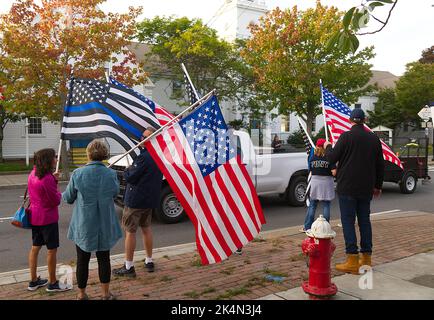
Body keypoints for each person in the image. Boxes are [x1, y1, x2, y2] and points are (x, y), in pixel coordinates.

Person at [324, 108, 384, 274]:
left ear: (350, 121)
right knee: (365, 221)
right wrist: (378, 186)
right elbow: (380, 165)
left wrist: (329, 147)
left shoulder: (346, 137)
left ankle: (352, 259)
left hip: (347, 186)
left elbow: (331, 158)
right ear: (364, 120)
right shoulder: (374, 139)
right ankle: (366, 258)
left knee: (348, 222)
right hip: (366, 187)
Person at [63, 139, 122, 300]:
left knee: (82, 260)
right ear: (104, 154)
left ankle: (81, 294)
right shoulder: (111, 174)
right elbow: (115, 193)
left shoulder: (78, 174)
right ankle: (105, 293)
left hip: (84, 224)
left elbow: (68, 198)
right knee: (104, 258)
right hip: (104, 222)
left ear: (88, 154)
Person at [113, 127, 163, 278]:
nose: (141, 139)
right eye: (142, 136)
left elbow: (130, 177)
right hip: (149, 199)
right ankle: (149, 261)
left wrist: (128, 170)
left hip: (136, 201)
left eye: (145, 137)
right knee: (146, 228)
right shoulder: (158, 155)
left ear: (151, 139)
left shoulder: (143, 158)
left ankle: (129, 266)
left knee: (130, 231)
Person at [27, 148, 71, 292]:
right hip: (48, 218)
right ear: (48, 160)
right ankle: (52, 283)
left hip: (35, 217)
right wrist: (55, 182)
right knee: (52, 250)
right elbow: (55, 200)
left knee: (35, 248)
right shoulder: (47, 178)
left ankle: (33, 281)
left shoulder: (33, 174)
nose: (56, 160)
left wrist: (53, 179)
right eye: (54, 157)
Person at [300, 138, 336, 233]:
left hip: (315, 182)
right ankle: (326, 227)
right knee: (326, 205)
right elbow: (334, 172)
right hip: (326, 182)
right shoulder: (329, 157)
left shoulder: (313, 157)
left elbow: (311, 170)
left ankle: (307, 226)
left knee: (312, 205)